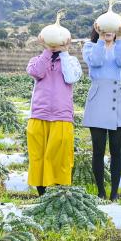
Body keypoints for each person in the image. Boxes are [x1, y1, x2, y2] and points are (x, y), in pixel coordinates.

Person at [82, 21, 121, 200]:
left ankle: (114, 193)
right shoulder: (90, 46)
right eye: (105, 29)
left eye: (112, 30)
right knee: (98, 150)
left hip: (118, 97)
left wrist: (120, 38)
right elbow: (96, 62)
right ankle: (101, 192)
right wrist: (101, 40)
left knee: (116, 150)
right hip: (98, 98)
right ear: (98, 29)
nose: (108, 32)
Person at [26, 36, 82, 196]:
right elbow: (37, 72)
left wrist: (64, 53)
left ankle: (60, 193)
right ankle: (42, 194)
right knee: (38, 155)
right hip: (38, 114)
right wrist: (47, 51)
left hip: (62, 116)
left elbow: (71, 77)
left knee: (61, 156)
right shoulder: (36, 60)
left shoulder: (71, 61)